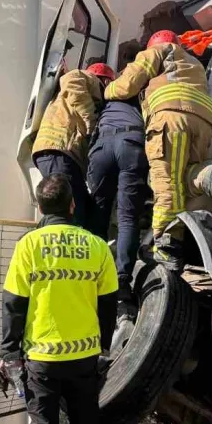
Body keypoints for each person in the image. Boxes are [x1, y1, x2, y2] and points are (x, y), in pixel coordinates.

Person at [0, 174, 119, 424]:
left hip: (42, 359)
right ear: (72, 205)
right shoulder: (98, 247)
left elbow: (14, 303)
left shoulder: (28, 245)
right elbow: (109, 303)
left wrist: (9, 352)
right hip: (85, 356)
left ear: (40, 207)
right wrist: (104, 348)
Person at [104, 30, 212, 272]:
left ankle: (166, 247)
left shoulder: (156, 51)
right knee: (187, 180)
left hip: (170, 120)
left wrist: (107, 91)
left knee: (166, 182)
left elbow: (126, 86)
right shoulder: (194, 62)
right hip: (204, 124)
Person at [86, 53, 150, 345]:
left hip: (102, 146)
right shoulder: (138, 93)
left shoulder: (102, 102)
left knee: (98, 216)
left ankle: (90, 275)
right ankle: (122, 278)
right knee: (126, 219)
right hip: (131, 143)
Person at [31, 63, 116, 229]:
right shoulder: (88, 78)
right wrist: (90, 121)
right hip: (59, 151)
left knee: (78, 204)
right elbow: (71, 79)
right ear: (105, 81)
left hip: (56, 153)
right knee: (71, 211)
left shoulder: (69, 98)